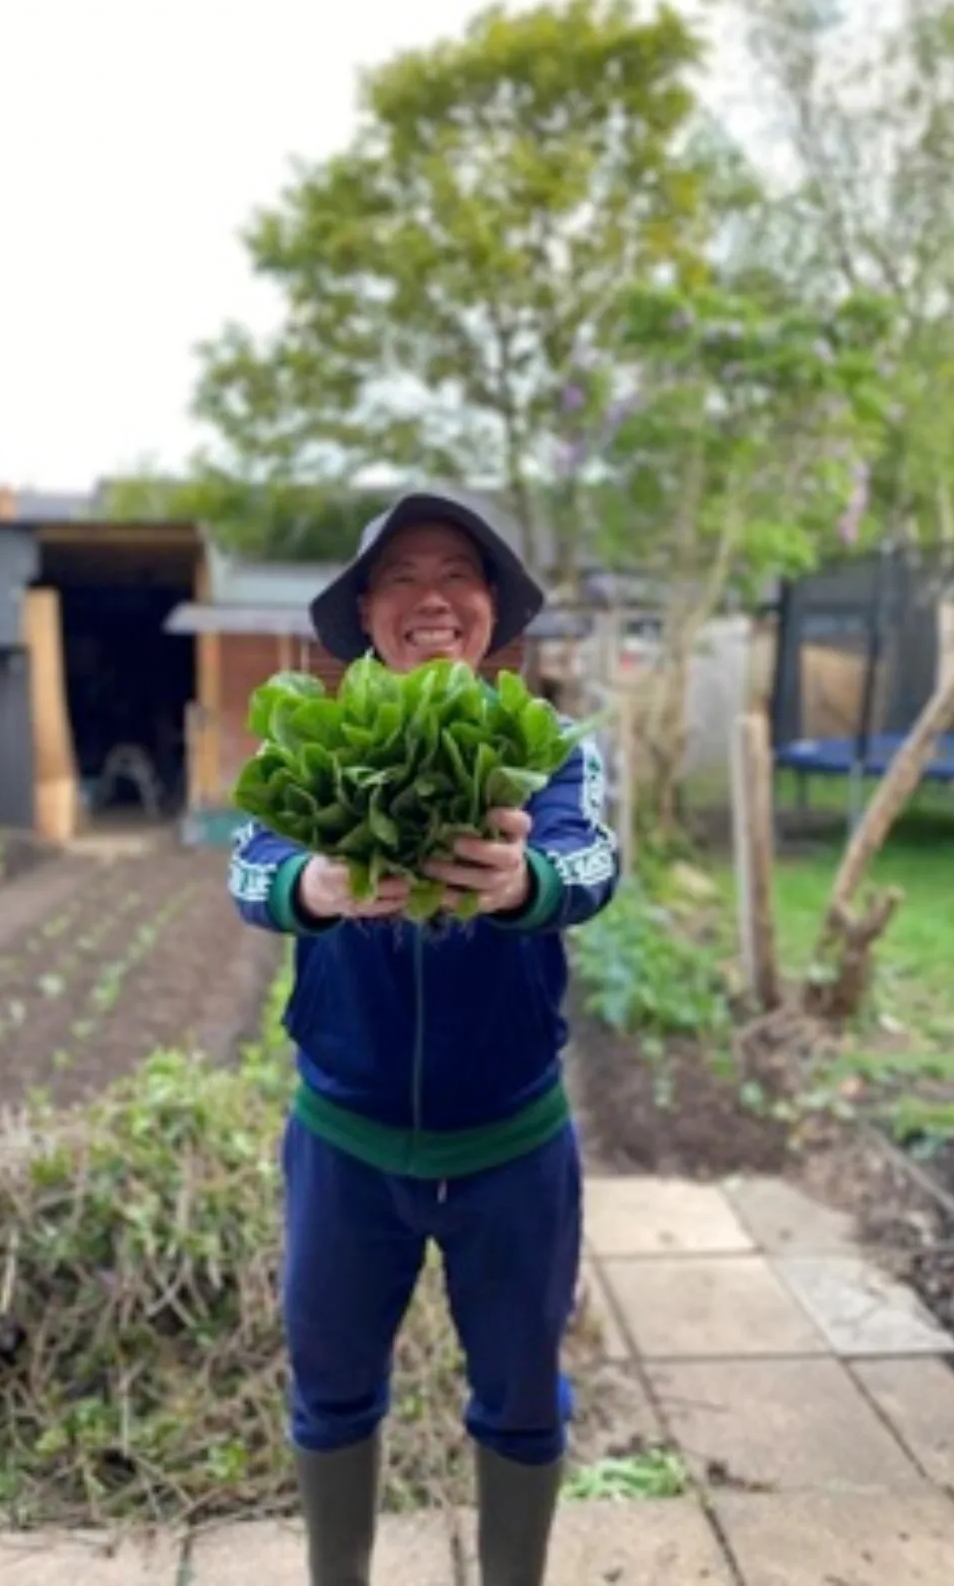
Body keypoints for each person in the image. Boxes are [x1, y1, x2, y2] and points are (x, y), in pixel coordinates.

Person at [227, 490, 619, 1586]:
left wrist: (520, 877)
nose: (431, 596)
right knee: (331, 1383)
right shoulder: (313, 742)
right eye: (399, 575)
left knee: (524, 1392)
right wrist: (313, 878)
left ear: (494, 608)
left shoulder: (551, 755)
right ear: (365, 612)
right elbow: (248, 871)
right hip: (343, 1144)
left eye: (459, 571)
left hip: (513, 1146)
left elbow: (592, 867)